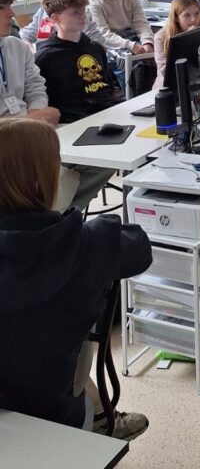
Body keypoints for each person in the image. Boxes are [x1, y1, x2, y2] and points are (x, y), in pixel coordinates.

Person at [0, 117, 152, 440]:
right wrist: (65, 214)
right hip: (57, 418)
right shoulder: (86, 244)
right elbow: (140, 248)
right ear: (45, 179)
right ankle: (100, 420)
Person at [35, 0, 124, 124]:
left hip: (109, 110)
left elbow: (109, 88)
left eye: (83, 10)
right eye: (75, 13)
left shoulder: (95, 48)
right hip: (75, 120)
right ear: (55, 18)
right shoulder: (45, 58)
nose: (82, 16)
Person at [0, 0, 60, 127]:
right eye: (1, 8)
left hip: (26, 123)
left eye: (10, 6)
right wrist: (31, 120)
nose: (11, 13)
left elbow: (35, 86)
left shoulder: (17, 46)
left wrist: (36, 113)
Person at [19, 0, 113, 50]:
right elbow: (26, 34)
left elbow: (100, 44)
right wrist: (32, 50)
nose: (53, 1)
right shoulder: (42, 12)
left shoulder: (78, 13)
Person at [153, 0, 200, 88]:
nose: (193, 19)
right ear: (176, 17)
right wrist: (188, 40)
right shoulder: (161, 37)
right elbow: (164, 72)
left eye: (197, 14)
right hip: (167, 88)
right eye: (186, 15)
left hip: (194, 84)